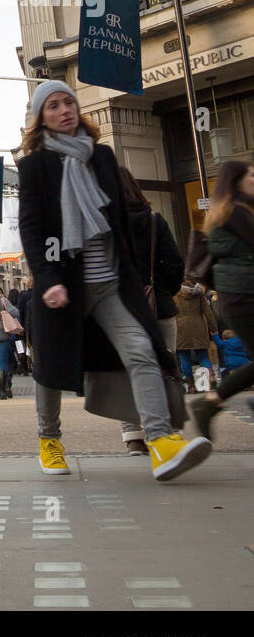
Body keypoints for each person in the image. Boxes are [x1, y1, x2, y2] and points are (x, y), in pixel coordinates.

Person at [17, 80, 207, 481]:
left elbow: (119, 222)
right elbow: (33, 228)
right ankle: (48, 441)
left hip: (109, 284)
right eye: (53, 105)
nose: (65, 109)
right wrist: (47, 277)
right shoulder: (35, 167)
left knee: (141, 350)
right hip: (62, 288)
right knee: (50, 369)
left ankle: (161, 442)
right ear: (42, 119)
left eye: (69, 101)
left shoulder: (102, 157)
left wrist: (132, 275)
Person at [116, 166, 185, 453]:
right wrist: (161, 290)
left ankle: (133, 436)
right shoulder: (155, 222)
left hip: (120, 310)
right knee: (165, 366)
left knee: (125, 371)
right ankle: (167, 432)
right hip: (159, 306)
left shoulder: (105, 225)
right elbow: (175, 265)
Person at [190, 159, 254, 441]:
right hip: (243, 297)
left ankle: (211, 403)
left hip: (240, 296)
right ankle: (209, 403)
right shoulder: (235, 212)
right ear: (237, 180)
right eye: (251, 175)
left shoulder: (232, 211)